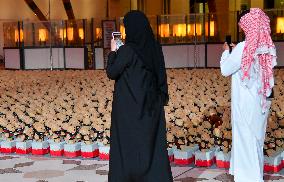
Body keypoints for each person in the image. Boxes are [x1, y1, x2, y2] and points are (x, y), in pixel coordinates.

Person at [106, 10, 173, 182]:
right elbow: (160, 75)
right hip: (150, 107)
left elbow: (112, 72)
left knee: (129, 146)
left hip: (128, 110)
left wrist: (113, 51)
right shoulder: (154, 47)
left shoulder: (127, 51)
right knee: (150, 145)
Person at [220, 8, 277, 182]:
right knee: (255, 143)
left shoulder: (244, 48)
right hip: (261, 104)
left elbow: (225, 70)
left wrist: (226, 51)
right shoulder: (266, 47)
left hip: (245, 105)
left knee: (246, 144)